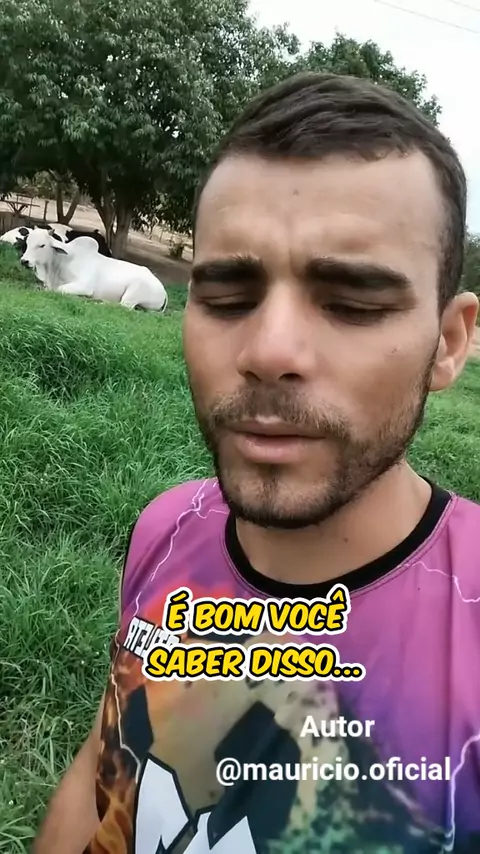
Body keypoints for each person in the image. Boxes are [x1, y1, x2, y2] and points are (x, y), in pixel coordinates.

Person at [33, 72, 480, 854]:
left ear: (447, 344)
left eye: (352, 303)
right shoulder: (168, 527)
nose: (269, 350)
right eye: (228, 296)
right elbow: (108, 765)